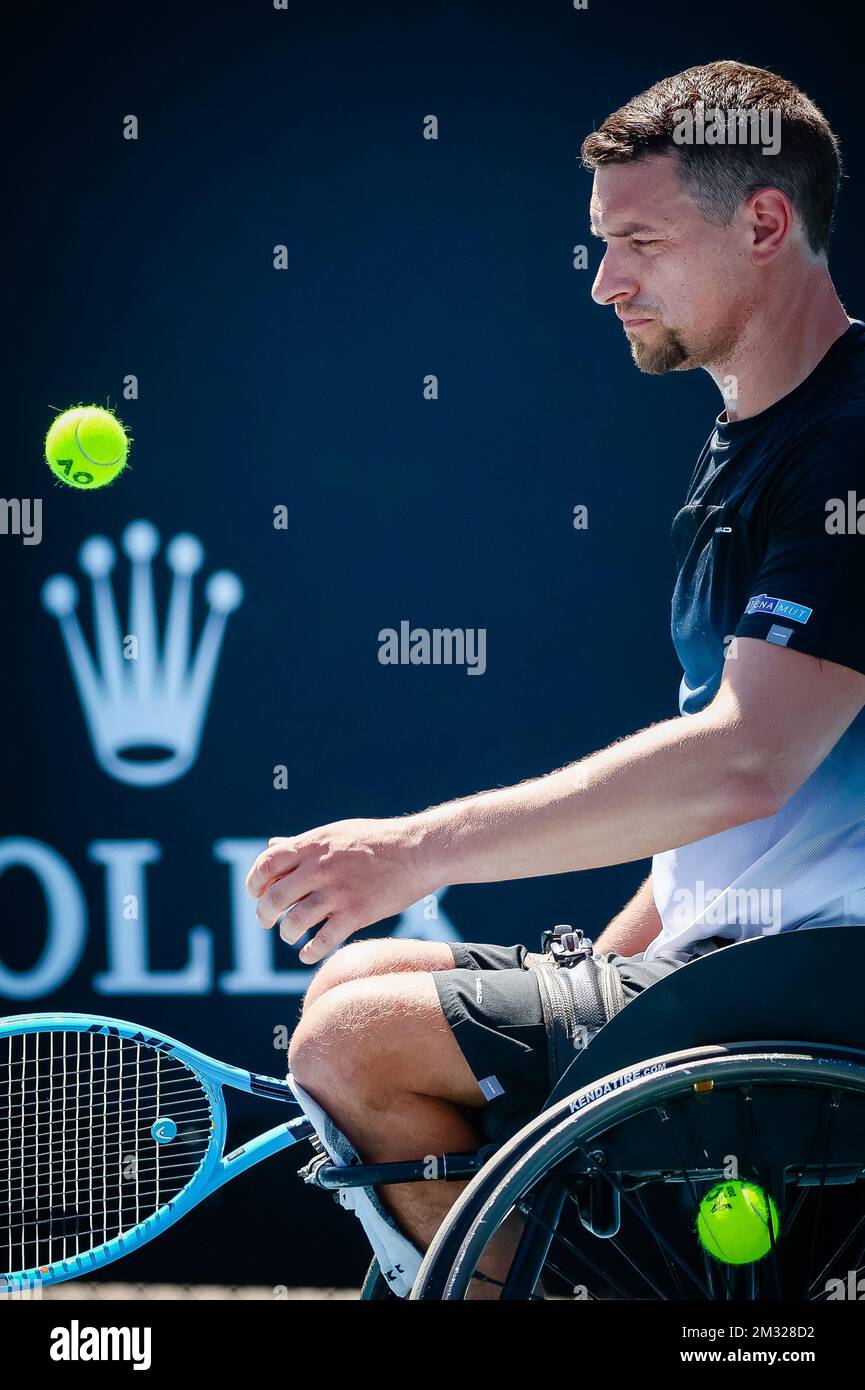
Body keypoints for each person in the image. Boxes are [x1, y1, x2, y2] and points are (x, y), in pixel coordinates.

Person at [246, 60, 865, 1295]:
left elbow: (748, 759)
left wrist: (418, 849)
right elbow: (743, 832)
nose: (604, 281)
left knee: (362, 1038)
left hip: (827, 994)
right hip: (756, 969)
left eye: (636, 240)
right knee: (362, 982)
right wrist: (609, 955)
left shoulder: (854, 440)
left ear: (763, 222)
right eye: (599, 243)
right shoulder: (753, 441)